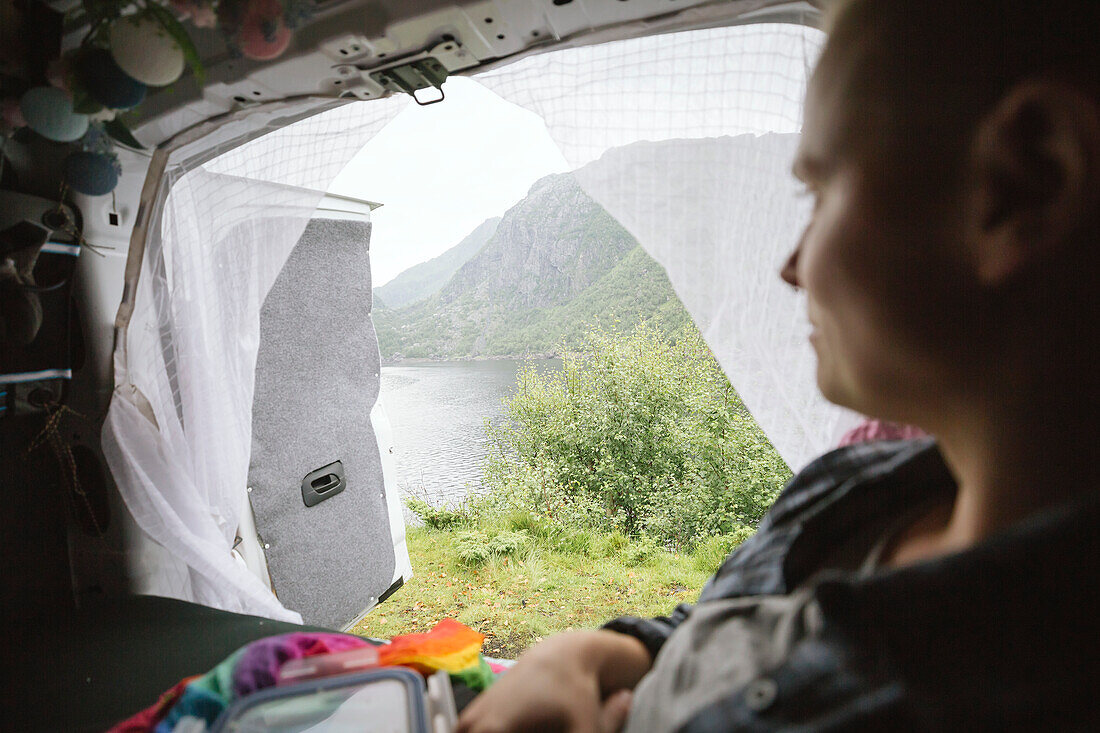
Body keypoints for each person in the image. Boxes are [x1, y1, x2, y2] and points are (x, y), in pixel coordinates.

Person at [456, 0, 1100, 730]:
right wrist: (575, 655)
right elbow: (716, 624)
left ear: (1028, 181)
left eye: (818, 191)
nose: (792, 268)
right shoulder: (853, 487)